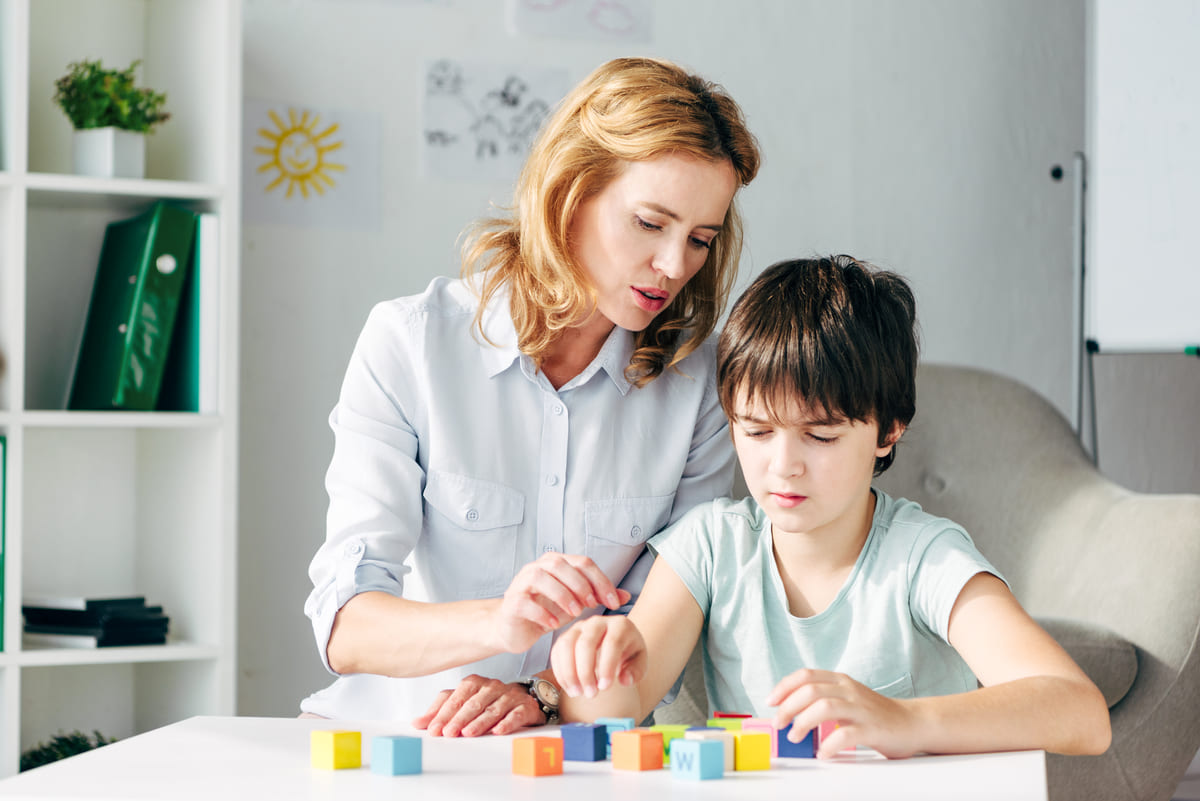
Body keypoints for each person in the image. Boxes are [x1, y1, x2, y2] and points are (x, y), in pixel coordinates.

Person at [300, 57, 762, 737]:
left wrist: (541, 692)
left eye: (700, 240)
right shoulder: (409, 346)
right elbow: (347, 622)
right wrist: (498, 619)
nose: (674, 267)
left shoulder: (698, 388)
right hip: (407, 741)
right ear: (571, 192)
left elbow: (668, 611)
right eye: (649, 223)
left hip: (583, 749)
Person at [548, 256, 1112, 758]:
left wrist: (904, 721)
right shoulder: (710, 546)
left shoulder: (924, 558)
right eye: (758, 430)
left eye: (820, 437)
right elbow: (611, 715)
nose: (783, 465)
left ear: (888, 430)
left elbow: (1081, 715)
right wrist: (594, 668)